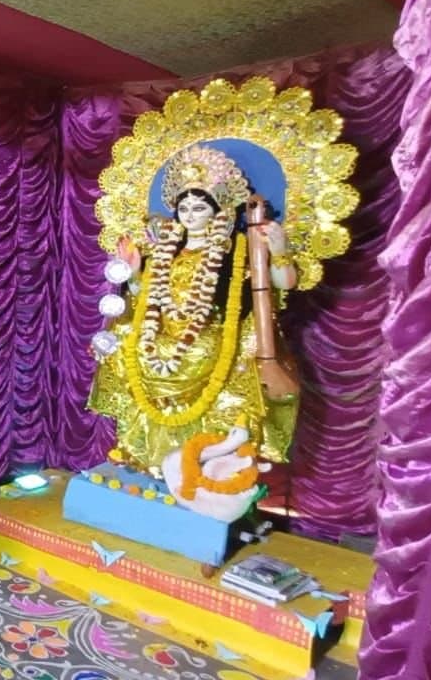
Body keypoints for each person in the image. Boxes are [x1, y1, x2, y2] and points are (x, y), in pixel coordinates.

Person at [88, 144, 299, 473]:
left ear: (216, 212)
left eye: (198, 208)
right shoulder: (166, 252)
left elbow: (283, 284)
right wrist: (133, 274)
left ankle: (209, 459)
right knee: (126, 339)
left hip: (206, 334)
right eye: (183, 208)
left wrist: (279, 250)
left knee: (200, 355)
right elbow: (146, 297)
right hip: (162, 332)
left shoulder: (236, 251)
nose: (189, 215)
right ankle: (146, 456)